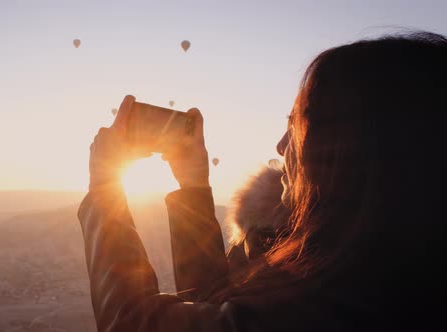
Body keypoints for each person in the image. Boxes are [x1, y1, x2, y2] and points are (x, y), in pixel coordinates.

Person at [78, 31, 446, 331]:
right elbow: (219, 305)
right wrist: (193, 186)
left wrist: (104, 187)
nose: (282, 145)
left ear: (358, 152)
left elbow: (132, 325)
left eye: (298, 127)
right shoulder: (388, 275)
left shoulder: (332, 306)